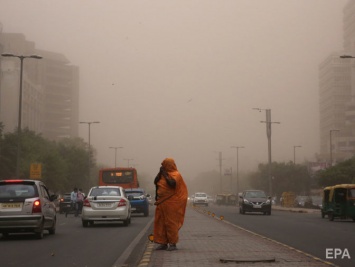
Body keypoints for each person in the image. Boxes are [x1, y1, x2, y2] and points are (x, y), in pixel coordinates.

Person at [153, 158, 188, 251]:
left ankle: (173, 244)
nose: (163, 167)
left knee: (170, 223)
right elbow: (155, 181)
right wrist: (160, 173)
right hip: (162, 202)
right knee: (161, 223)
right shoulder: (162, 175)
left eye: (164, 165)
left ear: (169, 165)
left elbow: (172, 184)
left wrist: (164, 173)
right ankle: (163, 243)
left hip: (172, 202)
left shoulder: (176, 174)